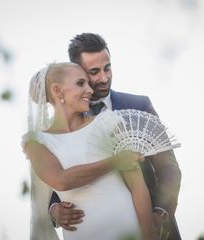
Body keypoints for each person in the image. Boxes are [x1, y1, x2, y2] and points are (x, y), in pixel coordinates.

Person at [49, 33, 182, 239]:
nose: (104, 78)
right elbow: (49, 181)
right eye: (94, 72)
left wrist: (161, 212)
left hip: (154, 229)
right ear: (78, 72)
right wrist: (54, 210)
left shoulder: (139, 106)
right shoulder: (61, 127)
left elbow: (168, 167)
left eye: (107, 68)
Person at [22, 62, 156, 240]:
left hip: (129, 229)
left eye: (88, 83)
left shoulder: (108, 122)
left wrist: (150, 236)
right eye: (80, 83)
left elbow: (138, 187)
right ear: (57, 90)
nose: (90, 90)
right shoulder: (37, 142)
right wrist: (115, 161)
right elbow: (61, 180)